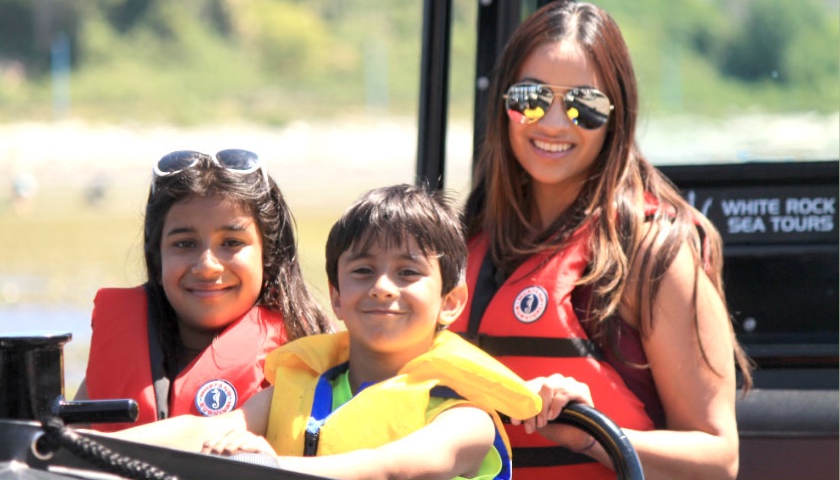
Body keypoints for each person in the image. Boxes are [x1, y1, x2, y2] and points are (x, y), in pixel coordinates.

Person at [451, 0, 754, 480]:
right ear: (504, 104)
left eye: (582, 105)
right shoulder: (463, 243)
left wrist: (597, 434)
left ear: (616, 116)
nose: (552, 122)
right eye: (531, 97)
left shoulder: (654, 253)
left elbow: (718, 461)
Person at [106, 183, 543, 480]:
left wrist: (268, 467)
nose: (382, 288)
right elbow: (203, 430)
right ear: (336, 297)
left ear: (451, 301)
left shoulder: (464, 417)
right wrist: (67, 443)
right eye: (363, 271)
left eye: (408, 273)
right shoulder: (303, 388)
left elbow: (387, 468)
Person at [74, 149, 334, 431]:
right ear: (157, 259)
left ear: (268, 256)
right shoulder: (117, 355)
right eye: (185, 244)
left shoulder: (308, 360)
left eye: (232, 243)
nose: (207, 266)